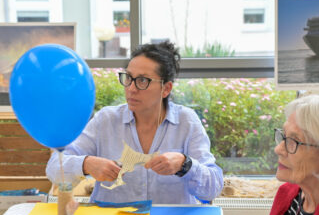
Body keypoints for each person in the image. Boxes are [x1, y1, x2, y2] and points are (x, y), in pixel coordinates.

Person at [46, 41, 223, 204]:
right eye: (128, 78)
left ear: (166, 88)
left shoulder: (186, 122)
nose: (131, 89)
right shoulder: (105, 120)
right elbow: (54, 168)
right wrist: (86, 164)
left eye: (142, 81)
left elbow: (213, 188)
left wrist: (185, 164)